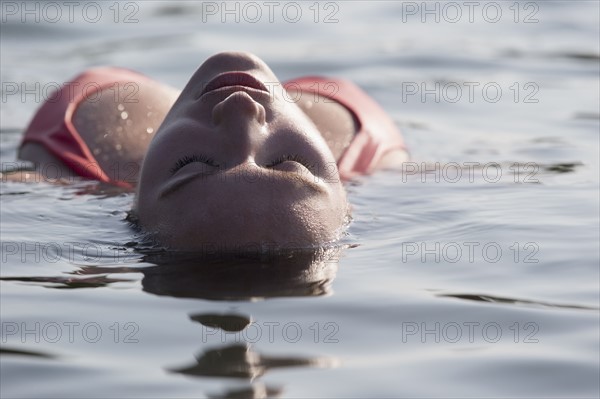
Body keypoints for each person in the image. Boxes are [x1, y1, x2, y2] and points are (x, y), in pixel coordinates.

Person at [12, 51, 408, 251]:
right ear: (348, 205)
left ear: (129, 209)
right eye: (290, 164)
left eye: (193, 166)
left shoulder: (61, 170)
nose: (241, 108)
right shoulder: (372, 162)